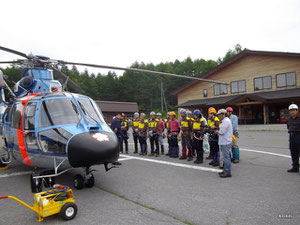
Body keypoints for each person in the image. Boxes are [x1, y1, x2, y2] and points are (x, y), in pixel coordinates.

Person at [215, 109, 233, 178]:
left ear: (223, 114)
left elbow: (221, 132)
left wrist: (217, 131)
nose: (218, 116)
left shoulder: (225, 121)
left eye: (219, 115)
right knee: (226, 157)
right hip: (225, 141)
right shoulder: (225, 121)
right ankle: (225, 170)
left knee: (226, 158)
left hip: (225, 142)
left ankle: (227, 172)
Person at [286, 104, 300, 173]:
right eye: (291, 110)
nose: (292, 112)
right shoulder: (288, 119)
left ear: (297, 111)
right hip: (291, 137)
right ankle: (295, 167)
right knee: (293, 153)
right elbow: (288, 127)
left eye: (294, 110)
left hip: (299, 136)